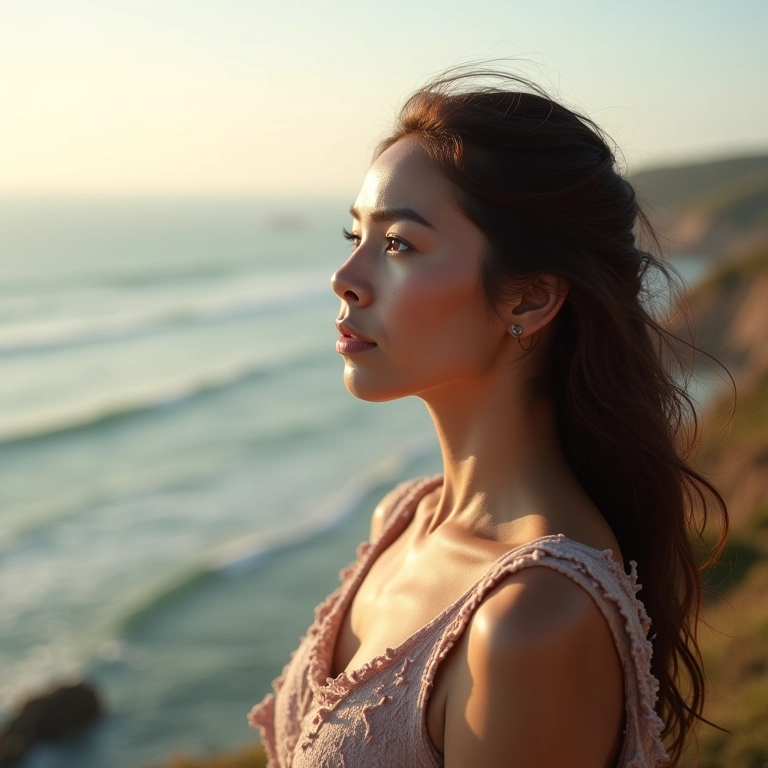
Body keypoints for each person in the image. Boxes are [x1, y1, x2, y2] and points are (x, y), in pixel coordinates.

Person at [248, 66, 729, 767]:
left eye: (398, 245)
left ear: (529, 300)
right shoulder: (404, 518)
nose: (344, 277)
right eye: (353, 234)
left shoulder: (532, 618)